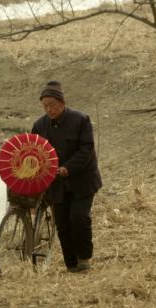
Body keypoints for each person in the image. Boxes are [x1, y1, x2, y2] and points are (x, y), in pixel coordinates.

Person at [31, 80, 102, 273]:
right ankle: (71, 264)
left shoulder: (81, 120)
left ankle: (83, 258)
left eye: (52, 105)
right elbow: (34, 152)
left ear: (62, 103)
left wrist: (67, 168)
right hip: (56, 184)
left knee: (78, 218)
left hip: (82, 180)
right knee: (62, 224)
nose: (48, 110)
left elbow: (86, 149)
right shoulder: (39, 126)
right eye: (45, 106)